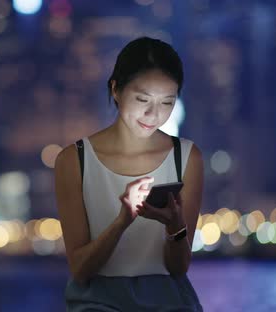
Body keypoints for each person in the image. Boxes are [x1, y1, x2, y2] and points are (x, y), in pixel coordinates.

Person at [53, 37, 204, 311]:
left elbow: (178, 267)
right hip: (97, 304)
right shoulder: (74, 160)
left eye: (167, 102)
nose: (153, 114)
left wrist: (174, 226)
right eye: (142, 99)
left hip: (169, 302)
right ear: (115, 89)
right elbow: (80, 269)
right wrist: (122, 221)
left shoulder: (186, 158)